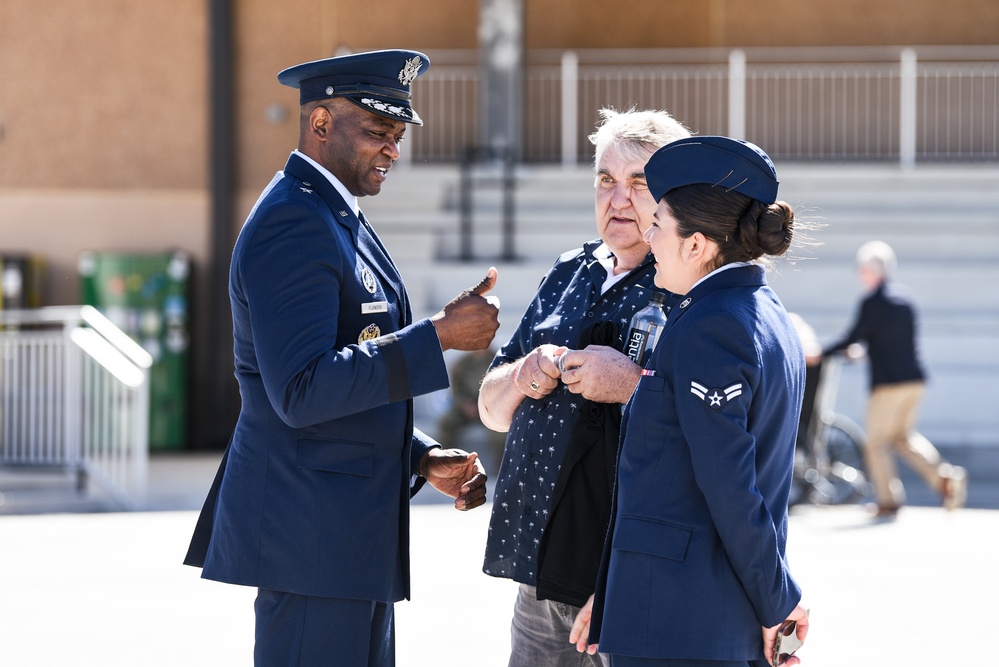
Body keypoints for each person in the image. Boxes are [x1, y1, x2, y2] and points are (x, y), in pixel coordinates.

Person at [183, 49, 501, 666]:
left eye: (399, 135)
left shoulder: (335, 213)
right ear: (320, 124)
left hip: (342, 540)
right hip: (309, 540)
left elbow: (345, 369)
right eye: (378, 132)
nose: (392, 150)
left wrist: (418, 455)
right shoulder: (294, 222)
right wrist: (435, 336)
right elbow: (301, 391)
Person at [570, 136, 810, 667]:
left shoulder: (712, 325)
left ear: (698, 245)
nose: (649, 238)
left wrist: (780, 601)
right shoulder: (760, 312)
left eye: (659, 226)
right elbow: (665, 480)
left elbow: (730, 485)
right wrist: (611, 591)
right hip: (691, 615)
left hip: (683, 625)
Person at [477, 108, 691, 667]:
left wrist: (629, 384)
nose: (618, 199)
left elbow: (705, 422)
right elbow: (490, 408)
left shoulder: (686, 284)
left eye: (639, 184)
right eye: (605, 180)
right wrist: (523, 373)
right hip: (541, 567)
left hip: (626, 568)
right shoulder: (569, 268)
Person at [821, 240, 966, 518]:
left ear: (870, 270)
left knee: (875, 442)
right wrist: (866, 350)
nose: (860, 275)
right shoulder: (905, 300)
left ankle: (888, 500)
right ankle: (944, 477)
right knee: (902, 437)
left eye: (861, 269)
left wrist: (822, 353)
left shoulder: (873, 302)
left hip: (888, 384)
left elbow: (853, 336)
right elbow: (887, 340)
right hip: (914, 380)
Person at [435, 348, 506, 475]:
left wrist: (486, 405)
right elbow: (456, 390)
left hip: (491, 407)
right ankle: (442, 465)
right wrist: (465, 404)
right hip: (467, 408)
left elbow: (504, 388)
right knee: (447, 423)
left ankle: (502, 471)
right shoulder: (463, 364)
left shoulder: (500, 360)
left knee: (501, 433)